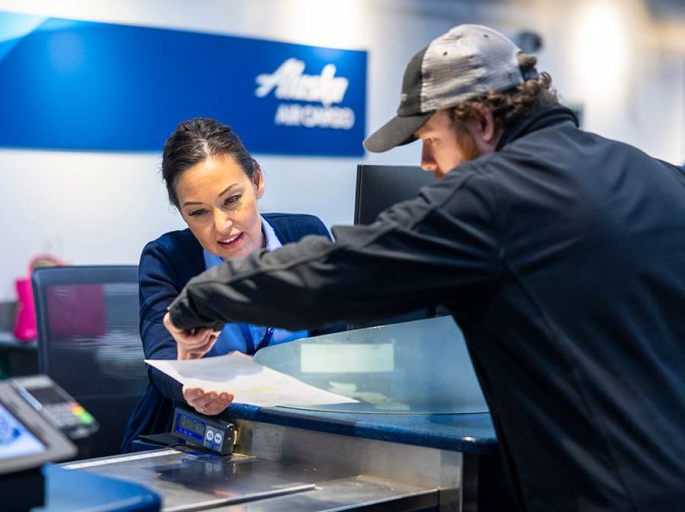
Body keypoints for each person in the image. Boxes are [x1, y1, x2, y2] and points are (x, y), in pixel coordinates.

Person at [165, 25, 685, 511]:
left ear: (481, 122)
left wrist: (201, 300)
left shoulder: (492, 198)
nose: (425, 165)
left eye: (431, 141)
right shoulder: (657, 175)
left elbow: (339, 270)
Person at [121, 117, 339, 452]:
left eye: (232, 200)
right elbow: (163, 359)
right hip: (192, 440)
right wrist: (191, 385)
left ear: (257, 180)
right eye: (199, 213)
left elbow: (335, 343)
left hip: (297, 433)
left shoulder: (305, 236)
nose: (222, 226)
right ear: (181, 213)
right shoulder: (166, 258)